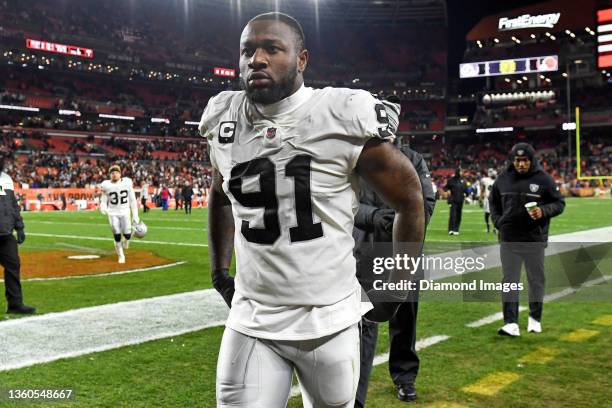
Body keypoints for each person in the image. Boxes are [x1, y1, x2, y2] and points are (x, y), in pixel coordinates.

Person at [200, 12, 424, 408]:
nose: (257, 59)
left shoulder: (340, 112)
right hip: (252, 317)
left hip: (329, 321)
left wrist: (399, 283)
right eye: (248, 50)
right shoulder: (224, 115)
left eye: (272, 48)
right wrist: (220, 270)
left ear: (301, 59)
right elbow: (220, 193)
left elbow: (409, 197)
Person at [354, 132, 436, 406]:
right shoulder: (353, 157)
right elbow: (343, 205)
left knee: (405, 320)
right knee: (362, 325)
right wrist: (376, 217)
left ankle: (405, 378)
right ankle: (354, 391)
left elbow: (426, 202)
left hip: (405, 254)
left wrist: (406, 217)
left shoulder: (413, 159)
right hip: (364, 252)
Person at [489, 143, 565, 336]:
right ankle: (511, 323)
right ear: (512, 161)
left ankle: (535, 318)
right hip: (509, 240)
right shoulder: (502, 179)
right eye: (517, 160)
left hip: (534, 239)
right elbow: (493, 203)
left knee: (536, 280)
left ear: (531, 160)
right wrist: (499, 222)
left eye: (524, 160)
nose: (521, 164)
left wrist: (544, 211)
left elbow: (559, 202)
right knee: (509, 281)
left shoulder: (544, 179)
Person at [0, 157, 35, 314]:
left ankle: (15, 303)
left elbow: (12, 204)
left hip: (6, 233)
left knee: (13, 266)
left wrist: (19, 226)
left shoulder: (6, 178)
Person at [99, 165, 140, 264]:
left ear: (120, 173)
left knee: (127, 234)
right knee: (116, 234)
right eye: (112, 173)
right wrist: (102, 206)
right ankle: (121, 256)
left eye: (116, 172)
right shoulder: (106, 185)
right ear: (110, 175)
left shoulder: (127, 182)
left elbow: (133, 200)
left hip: (125, 211)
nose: (114, 174)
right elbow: (104, 199)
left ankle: (126, 240)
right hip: (112, 213)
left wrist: (135, 215)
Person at [444, 168, 466, 235]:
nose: (462, 173)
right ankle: (451, 229)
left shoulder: (463, 180)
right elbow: (446, 187)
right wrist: (447, 190)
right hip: (453, 200)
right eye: (461, 171)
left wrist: (466, 193)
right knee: (452, 215)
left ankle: (456, 229)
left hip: (460, 200)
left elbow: (465, 190)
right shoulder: (451, 180)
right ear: (458, 172)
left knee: (459, 215)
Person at [480, 168, 497, 233]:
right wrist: (480, 199)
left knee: (494, 214)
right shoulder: (485, 180)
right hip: (487, 199)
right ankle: (488, 226)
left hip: (496, 199)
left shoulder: (498, 180)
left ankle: (495, 227)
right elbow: (482, 189)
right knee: (487, 214)